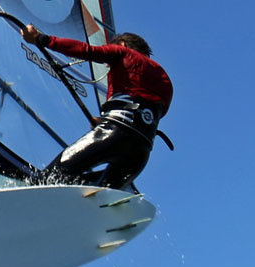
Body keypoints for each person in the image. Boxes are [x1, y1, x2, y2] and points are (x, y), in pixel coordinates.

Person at [20, 24, 173, 190]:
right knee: (102, 195)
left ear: (121, 45)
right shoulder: (166, 80)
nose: (109, 68)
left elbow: (88, 51)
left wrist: (40, 39)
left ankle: (25, 201)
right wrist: (103, 119)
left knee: (50, 177)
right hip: (140, 151)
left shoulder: (124, 52)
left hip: (113, 134)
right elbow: (145, 111)